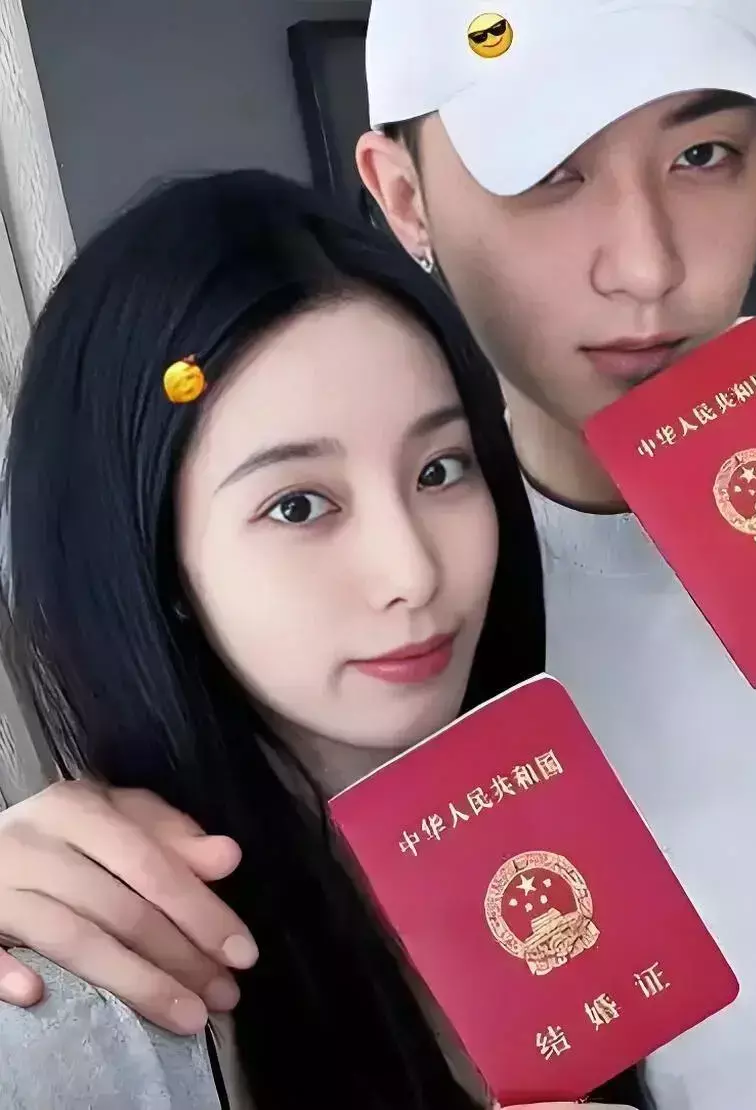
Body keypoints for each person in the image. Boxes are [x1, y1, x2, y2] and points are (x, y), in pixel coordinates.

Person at [2, 0, 756, 1106]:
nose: (647, 267)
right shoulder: (418, 681)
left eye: (702, 154)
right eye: (548, 170)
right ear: (404, 197)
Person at [0, 169, 643, 1110]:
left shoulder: (587, 810)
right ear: (151, 556)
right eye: (299, 505)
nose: (413, 571)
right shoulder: (95, 990)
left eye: (440, 470)